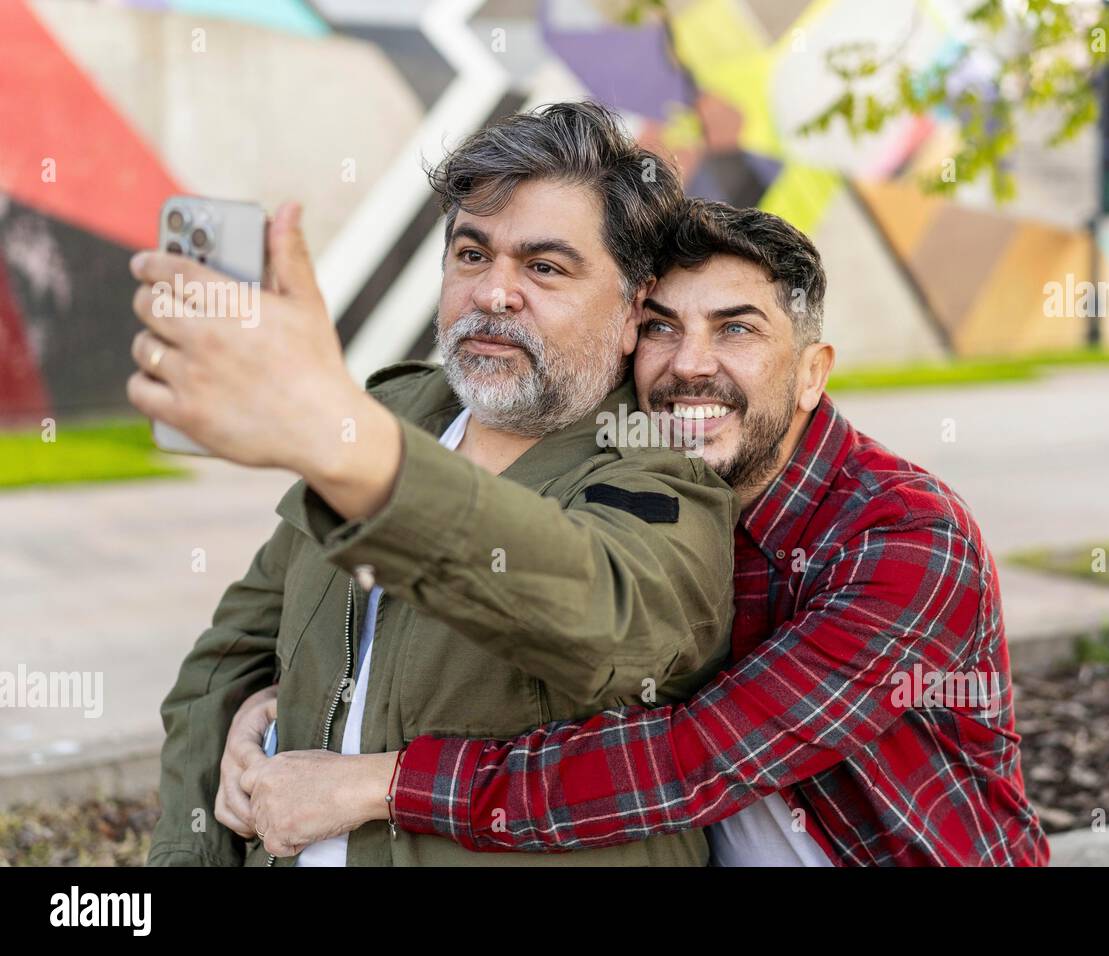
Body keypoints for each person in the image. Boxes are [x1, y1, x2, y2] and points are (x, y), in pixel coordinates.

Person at [223, 199, 1050, 866]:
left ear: (810, 374)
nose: (689, 365)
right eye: (661, 326)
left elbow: (688, 762)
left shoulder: (903, 540)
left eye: (736, 329)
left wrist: (384, 785)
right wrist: (290, 701)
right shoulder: (640, 497)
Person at [131, 102, 738, 866]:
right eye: (472, 254)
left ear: (632, 311)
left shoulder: (662, 474)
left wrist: (352, 454)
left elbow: (602, 616)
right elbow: (227, 662)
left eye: (544, 267)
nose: (493, 293)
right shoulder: (392, 412)